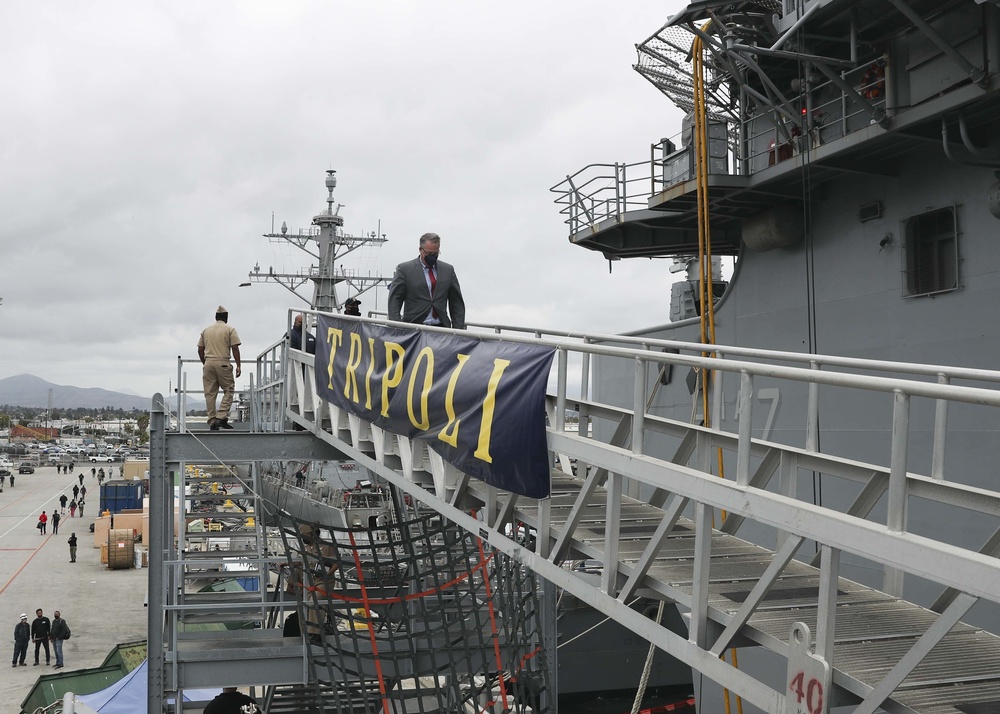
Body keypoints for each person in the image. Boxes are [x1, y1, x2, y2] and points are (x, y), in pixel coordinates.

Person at [388, 232, 466, 329]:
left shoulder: (448, 270)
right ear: (420, 250)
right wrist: (396, 327)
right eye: (429, 253)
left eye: (436, 253)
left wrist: (457, 331)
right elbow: (395, 300)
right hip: (413, 329)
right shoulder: (404, 270)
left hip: (441, 329)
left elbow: (456, 302)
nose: (432, 256)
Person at [198, 305, 242, 431]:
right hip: (223, 362)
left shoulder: (206, 330)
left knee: (210, 393)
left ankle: (212, 420)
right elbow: (235, 347)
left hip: (208, 363)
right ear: (226, 317)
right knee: (228, 389)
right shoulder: (230, 329)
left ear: (216, 317)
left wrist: (205, 362)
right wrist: (238, 365)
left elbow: (200, 349)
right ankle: (221, 417)